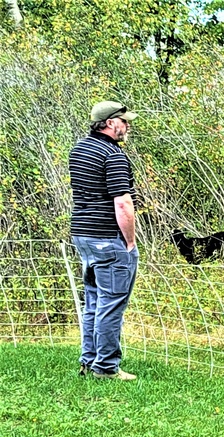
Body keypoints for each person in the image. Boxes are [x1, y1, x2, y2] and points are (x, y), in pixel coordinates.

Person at [69, 101, 140, 381]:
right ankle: (106, 367)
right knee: (111, 304)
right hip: (108, 238)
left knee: (94, 302)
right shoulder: (113, 155)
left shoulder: (80, 150)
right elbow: (122, 203)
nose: (128, 126)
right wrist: (130, 242)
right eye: (124, 121)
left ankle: (89, 360)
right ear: (110, 123)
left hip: (83, 235)